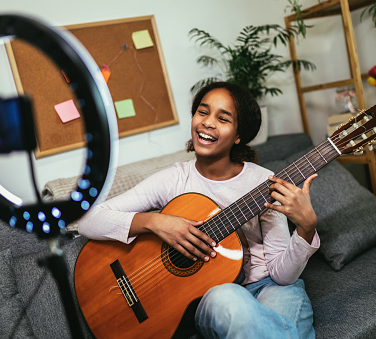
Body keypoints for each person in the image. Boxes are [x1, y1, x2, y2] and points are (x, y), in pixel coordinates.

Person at [78, 81, 320, 338]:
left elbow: (282, 275)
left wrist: (306, 229)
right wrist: (156, 223)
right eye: (202, 112)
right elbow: (88, 220)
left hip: (271, 287)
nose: (208, 122)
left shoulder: (264, 182)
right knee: (227, 298)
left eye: (223, 118)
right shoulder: (174, 180)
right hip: (216, 297)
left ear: (238, 136)